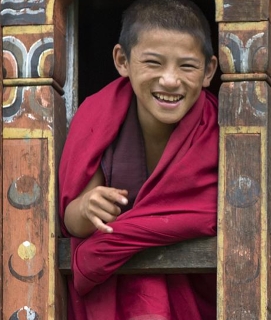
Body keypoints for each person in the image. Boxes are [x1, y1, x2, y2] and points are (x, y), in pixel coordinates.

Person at [58, 0, 219, 319]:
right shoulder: (98, 117)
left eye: (187, 66)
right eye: (154, 63)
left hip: (190, 290)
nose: (170, 80)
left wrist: (119, 238)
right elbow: (72, 222)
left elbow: (213, 214)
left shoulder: (221, 128)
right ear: (122, 60)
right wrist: (88, 206)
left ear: (209, 71)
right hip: (115, 293)